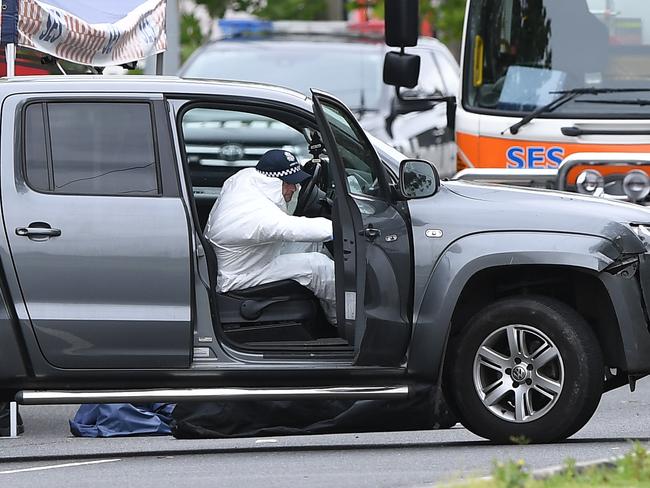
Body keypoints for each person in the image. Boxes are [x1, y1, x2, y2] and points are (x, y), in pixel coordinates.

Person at [205, 149, 336, 323]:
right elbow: (293, 228)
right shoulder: (258, 216)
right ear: (272, 183)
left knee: (315, 245)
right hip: (239, 275)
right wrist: (347, 229)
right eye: (289, 183)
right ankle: (342, 322)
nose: (295, 188)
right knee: (319, 266)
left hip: (248, 258)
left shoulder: (244, 180)